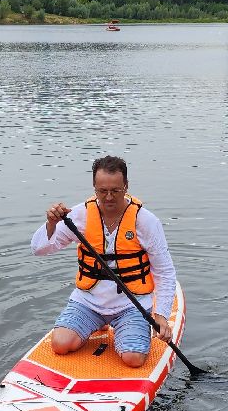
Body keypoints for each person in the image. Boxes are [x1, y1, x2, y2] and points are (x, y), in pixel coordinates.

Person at [33, 155, 177, 368]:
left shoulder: (146, 221)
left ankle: (129, 330)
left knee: (133, 359)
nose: (109, 197)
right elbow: (39, 249)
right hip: (88, 302)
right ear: (94, 187)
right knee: (60, 345)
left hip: (132, 304)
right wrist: (51, 224)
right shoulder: (79, 215)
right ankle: (96, 323)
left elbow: (164, 272)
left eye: (115, 191)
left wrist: (162, 315)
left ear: (126, 186)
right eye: (102, 191)